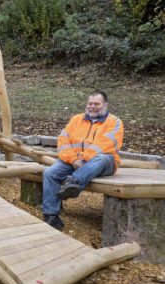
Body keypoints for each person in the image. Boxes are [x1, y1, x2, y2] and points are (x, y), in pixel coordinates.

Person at [42, 91, 124, 231]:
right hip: (74, 161)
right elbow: (63, 141)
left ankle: (74, 183)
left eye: (96, 104)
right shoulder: (76, 120)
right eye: (90, 103)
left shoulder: (114, 122)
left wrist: (83, 159)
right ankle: (50, 215)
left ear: (105, 105)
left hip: (103, 163)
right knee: (50, 173)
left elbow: (106, 145)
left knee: (103, 157)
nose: (92, 106)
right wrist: (74, 159)